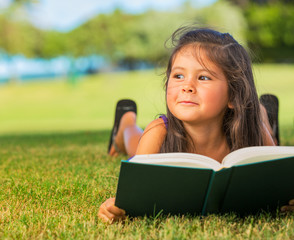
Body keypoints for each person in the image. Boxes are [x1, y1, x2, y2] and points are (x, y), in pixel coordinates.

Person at [99, 26, 294, 223]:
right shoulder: (158, 133)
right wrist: (115, 208)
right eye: (178, 76)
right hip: (154, 133)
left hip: (242, 118)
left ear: (233, 95)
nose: (187, 86)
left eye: (203, 77)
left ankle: (262, 112)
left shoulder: (254, 130)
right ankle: (125, 121)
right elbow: (133, 197)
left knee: (264, 133)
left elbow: (280, 181)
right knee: (134, 138)